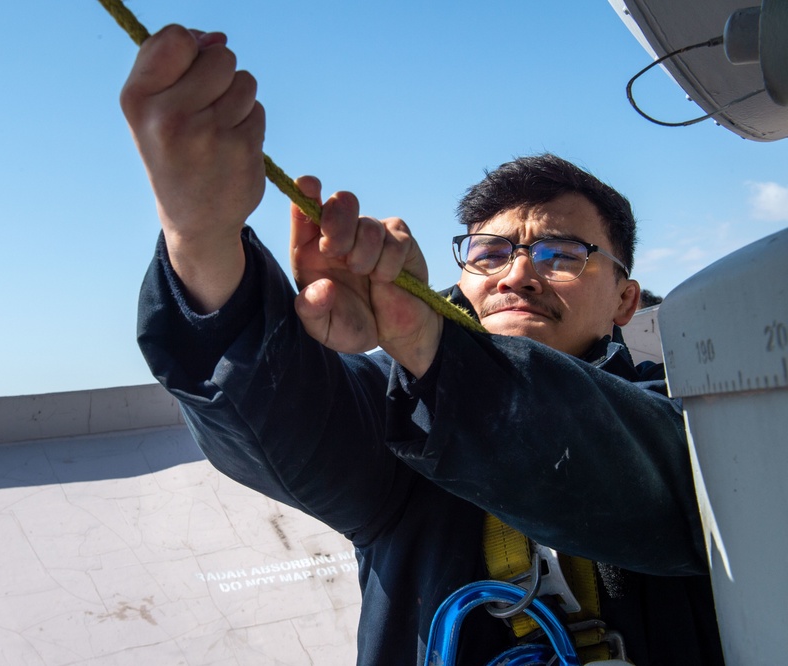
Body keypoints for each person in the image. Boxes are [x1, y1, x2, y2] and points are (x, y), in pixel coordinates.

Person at [124, 25, 723, 664]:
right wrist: (202, 239)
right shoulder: (403, 418)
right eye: (492, 251)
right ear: (461, 278)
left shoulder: (692, 424)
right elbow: (282, 414)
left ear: (627, 300)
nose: (517, 273)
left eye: (560, 253)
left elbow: (656, 481)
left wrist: (435, 347)